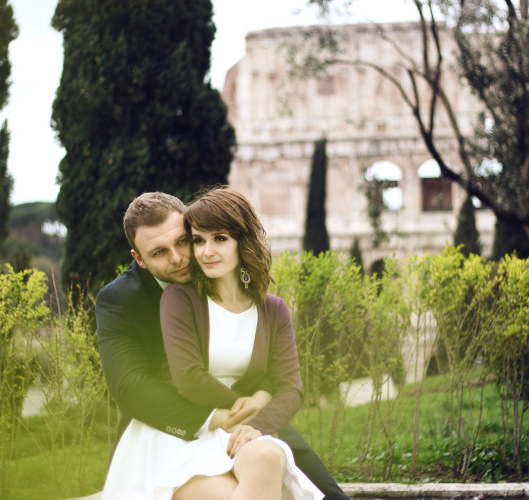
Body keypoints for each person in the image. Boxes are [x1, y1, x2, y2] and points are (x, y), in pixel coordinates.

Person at [95, 191, 349, 499]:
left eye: (183, 241)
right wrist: (236, 411)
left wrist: (262, 399)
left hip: (246, 411)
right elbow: (130, 388)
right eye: (159, 252)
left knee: (327, 493)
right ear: (139, 259)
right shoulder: (121, 299)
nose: (178, 258)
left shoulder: (240, 287)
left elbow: (272, 367)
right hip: (175, 421)